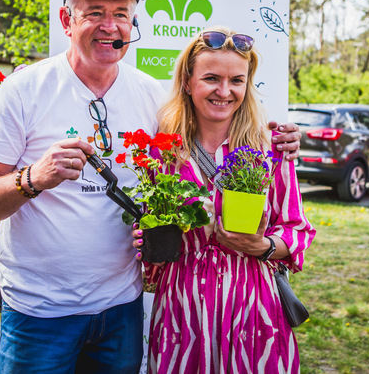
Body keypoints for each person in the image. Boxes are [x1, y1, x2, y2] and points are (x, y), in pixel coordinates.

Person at [0, 0, 302, 373]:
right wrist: (33, 178)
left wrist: (279, 139)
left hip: (121, 309)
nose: (110, 26)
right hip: (40, 312)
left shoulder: (150, 96)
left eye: (121, 14)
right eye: (95, 12)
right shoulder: (24, 90)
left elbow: (212, 127)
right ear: (67, 20)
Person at [134, 27, 316, 373]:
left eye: (236, 80)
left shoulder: (270, 148)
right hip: (183, 311)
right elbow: (148, 233)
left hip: (254, 308)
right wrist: (144, 237)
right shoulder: (163, 152)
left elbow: (296, 230)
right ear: (188, 82)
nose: (224, 91)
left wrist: (261, 246)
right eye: (212, 78)